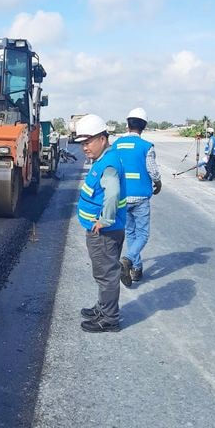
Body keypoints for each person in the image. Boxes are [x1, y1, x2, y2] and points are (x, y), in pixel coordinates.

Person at [74, 114, 128, 333]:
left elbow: (113, 193)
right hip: (105, 232)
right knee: (104, 273)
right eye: (82, 143)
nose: (84, 147)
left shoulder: (108, 165)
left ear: (103, 139)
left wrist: (104, 220)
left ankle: (109, 318)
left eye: (88, 142)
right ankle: (103, 307)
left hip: (104, 233)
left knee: (106, 275)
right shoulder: (105, 159)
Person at [116, 108, 161, 283]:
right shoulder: (146, 146)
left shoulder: (117, 145)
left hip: (122, 196)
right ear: (144, 126)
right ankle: (127, 260)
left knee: (130, 232)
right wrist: (158, 183)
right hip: (141, 198)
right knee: (142, 234)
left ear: (128, 124)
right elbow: (153, 171)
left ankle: (136, 269)